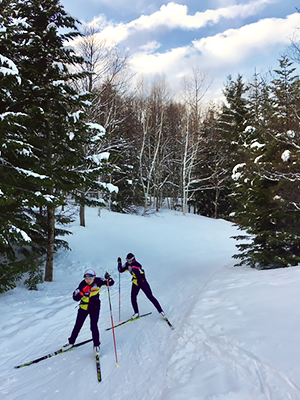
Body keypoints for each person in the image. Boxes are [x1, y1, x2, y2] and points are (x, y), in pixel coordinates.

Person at [65, 268, 114, 354]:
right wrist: (82, 293)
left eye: (90, 278)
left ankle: (96, 345)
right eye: (86, 278)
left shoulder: (98, 281)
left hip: (95, 307)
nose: (88, 280)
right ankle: (71, 342)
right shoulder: (82, 284)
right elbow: (75, 297)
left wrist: (108, 278)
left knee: (94, 326)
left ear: (94, 277)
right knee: (78, 325)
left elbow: (111, 283)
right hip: (84, 307)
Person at [117, 253, 165, 319]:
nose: (129, 262)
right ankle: (136, 313)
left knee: (150, 296)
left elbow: (139, 271)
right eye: (127, 260)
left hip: (142, 282)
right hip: (135, 283)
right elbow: (121, 270)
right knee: (133, 297)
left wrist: (136, 270)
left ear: (133, 259)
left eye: (130, 261)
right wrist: (119, 262)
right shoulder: (128, 265)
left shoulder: (137, 265)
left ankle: (161, 311)